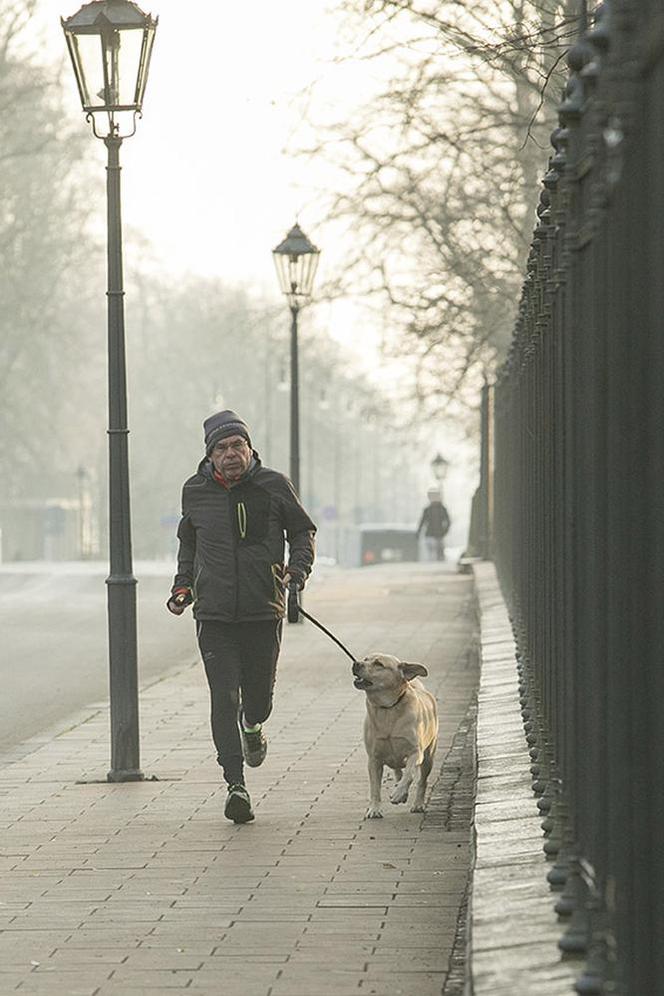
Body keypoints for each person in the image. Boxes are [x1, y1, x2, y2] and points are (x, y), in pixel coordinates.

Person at [166, 410, 316, 824]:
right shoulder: (194, 491)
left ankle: (253, 727)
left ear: (250, 449)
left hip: (262, 608)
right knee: (223, 697)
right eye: (221, 448)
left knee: (258, 699)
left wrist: (298, 569)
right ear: (210, 456)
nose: (231, 454)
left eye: (237, 446)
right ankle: (235, 785)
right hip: (212, 612)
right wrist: (183, 587)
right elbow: (188, 545)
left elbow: (302, 531)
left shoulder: (273, 486)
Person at [416, 489, 451, 562]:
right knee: (431, 552)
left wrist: (445, 531)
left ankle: (438, 563)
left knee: (439, 552)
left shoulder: (442, 509)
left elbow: (448, 521)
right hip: (430, 534)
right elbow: (422, 522)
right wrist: (419, 532)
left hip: (439, 534)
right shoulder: (427, 509)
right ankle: (433, 563)